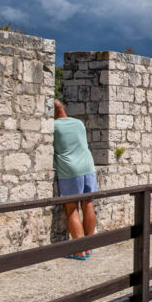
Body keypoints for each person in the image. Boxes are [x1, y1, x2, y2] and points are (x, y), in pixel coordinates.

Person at [53, 99, 97, 260]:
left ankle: (79, 250)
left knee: (72, 208)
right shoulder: (79, 123)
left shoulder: (53, 127)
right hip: (88, 166)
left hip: (70, 169)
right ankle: (89, 246)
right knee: (88, 204)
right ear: (63, 108)